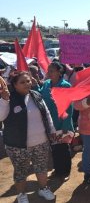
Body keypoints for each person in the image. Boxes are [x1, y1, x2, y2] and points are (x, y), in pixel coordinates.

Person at [0, 73, 56, 203]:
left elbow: (46, 113)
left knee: (41, 167)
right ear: (14, 85)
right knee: (20, 171)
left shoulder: (36, 95)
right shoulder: (7, 98)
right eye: (22, 82)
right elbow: (1, 117)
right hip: (17, 145)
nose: (27, 84)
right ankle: (21, 194)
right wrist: (4, 101)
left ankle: (43, 189)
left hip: (41, 141)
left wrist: (51, 129)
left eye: (28, 81)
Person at [37, 62, 74, 181]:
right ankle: (58, 170)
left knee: (63, 148)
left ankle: (65, 172)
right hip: (50, 123)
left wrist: (65, 126)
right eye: (48, 70)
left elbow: (69, 107)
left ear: (59, 72)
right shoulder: (46, 84)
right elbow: (40, 96)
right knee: (54, 148)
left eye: (52, 70)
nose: (49, 72)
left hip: (62, 122)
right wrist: (35, 84)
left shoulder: (65, 86)